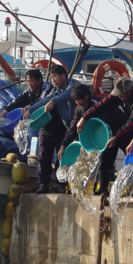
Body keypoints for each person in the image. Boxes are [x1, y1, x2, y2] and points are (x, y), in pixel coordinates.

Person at [76, 77, 133, 193]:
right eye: (118, 95)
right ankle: (103, 187)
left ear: (129, 91)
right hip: (117, 129)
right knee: (106, 156)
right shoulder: (119, 95)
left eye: (121, 95)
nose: (119, 97)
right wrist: (84, 117)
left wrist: (117, 137)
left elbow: (132, 122)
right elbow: (102, 105)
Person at [59, 84, 128, 194]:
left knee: (129, 154)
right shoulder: (79, 109)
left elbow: (97, 125)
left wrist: (85, 144)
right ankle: (103, 188)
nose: (78, 103)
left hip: (120, 130)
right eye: (75, 101)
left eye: (79, 100)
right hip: (105, 137)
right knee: (105, 161)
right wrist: (63, 145)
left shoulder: (99, 104)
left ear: (86, 96)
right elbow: (73, 128)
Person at [27, 65, 81, 194]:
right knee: (44, 156)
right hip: (67, 128)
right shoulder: (55, 91)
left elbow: (67, 95)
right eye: (51, 78)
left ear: (63, 76)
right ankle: (43, 184)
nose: (53, 80)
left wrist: (53, 102)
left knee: (63, 157)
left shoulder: (74, 84)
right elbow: (46, 100)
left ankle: (62, 184)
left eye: (55, 76)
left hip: (78, 126)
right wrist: (30, 108)